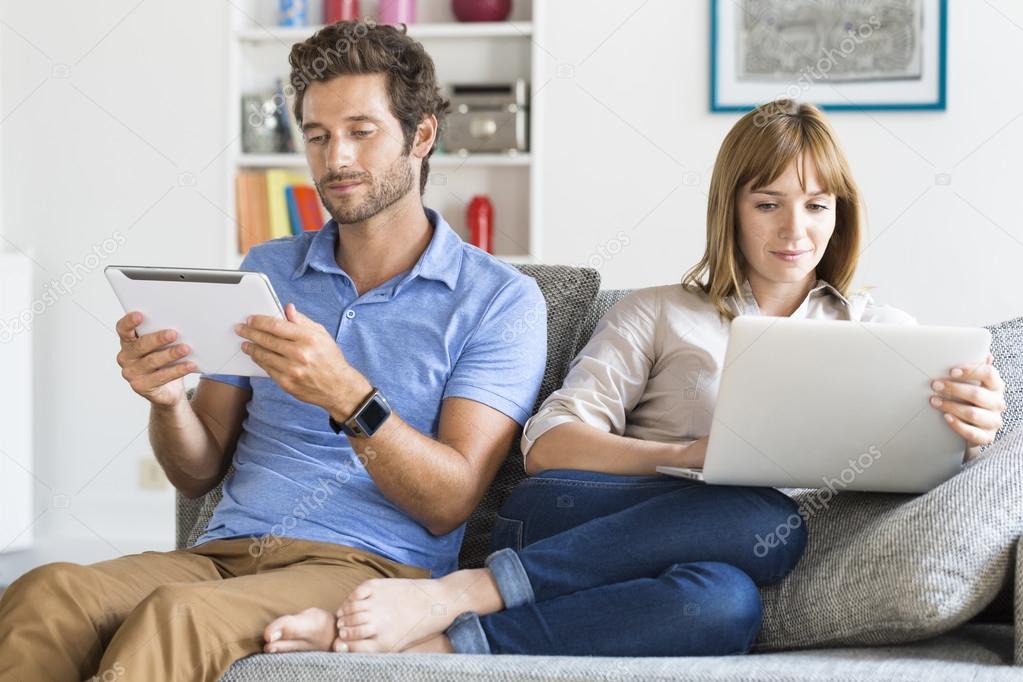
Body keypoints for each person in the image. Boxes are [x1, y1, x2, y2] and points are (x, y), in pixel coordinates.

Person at [266, 99, 1006, 657]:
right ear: (731, 208)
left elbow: (916, 467)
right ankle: (467, 586)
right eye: (767, 204)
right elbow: (547, 445)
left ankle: (445, 639)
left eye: (816, 206)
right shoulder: (657, 313)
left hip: (722, 554)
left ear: (839, 214)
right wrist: (684, 456)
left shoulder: (885, 336)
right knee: (758, 518)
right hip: (573, 513)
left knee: (723, 607)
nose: (794, 231)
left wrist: (965, 430)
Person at [0, 21, 546, 681]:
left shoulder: (497, 300)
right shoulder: (269, 269)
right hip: (225, 554)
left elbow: (449, 500)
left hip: (369, 567)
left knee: (180, 616)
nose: (335, 158)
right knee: (46, 590)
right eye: (316, 136)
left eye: (360, 131)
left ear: (421, 135)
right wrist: (169, 403)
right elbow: (197, 471)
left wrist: (347, 395)